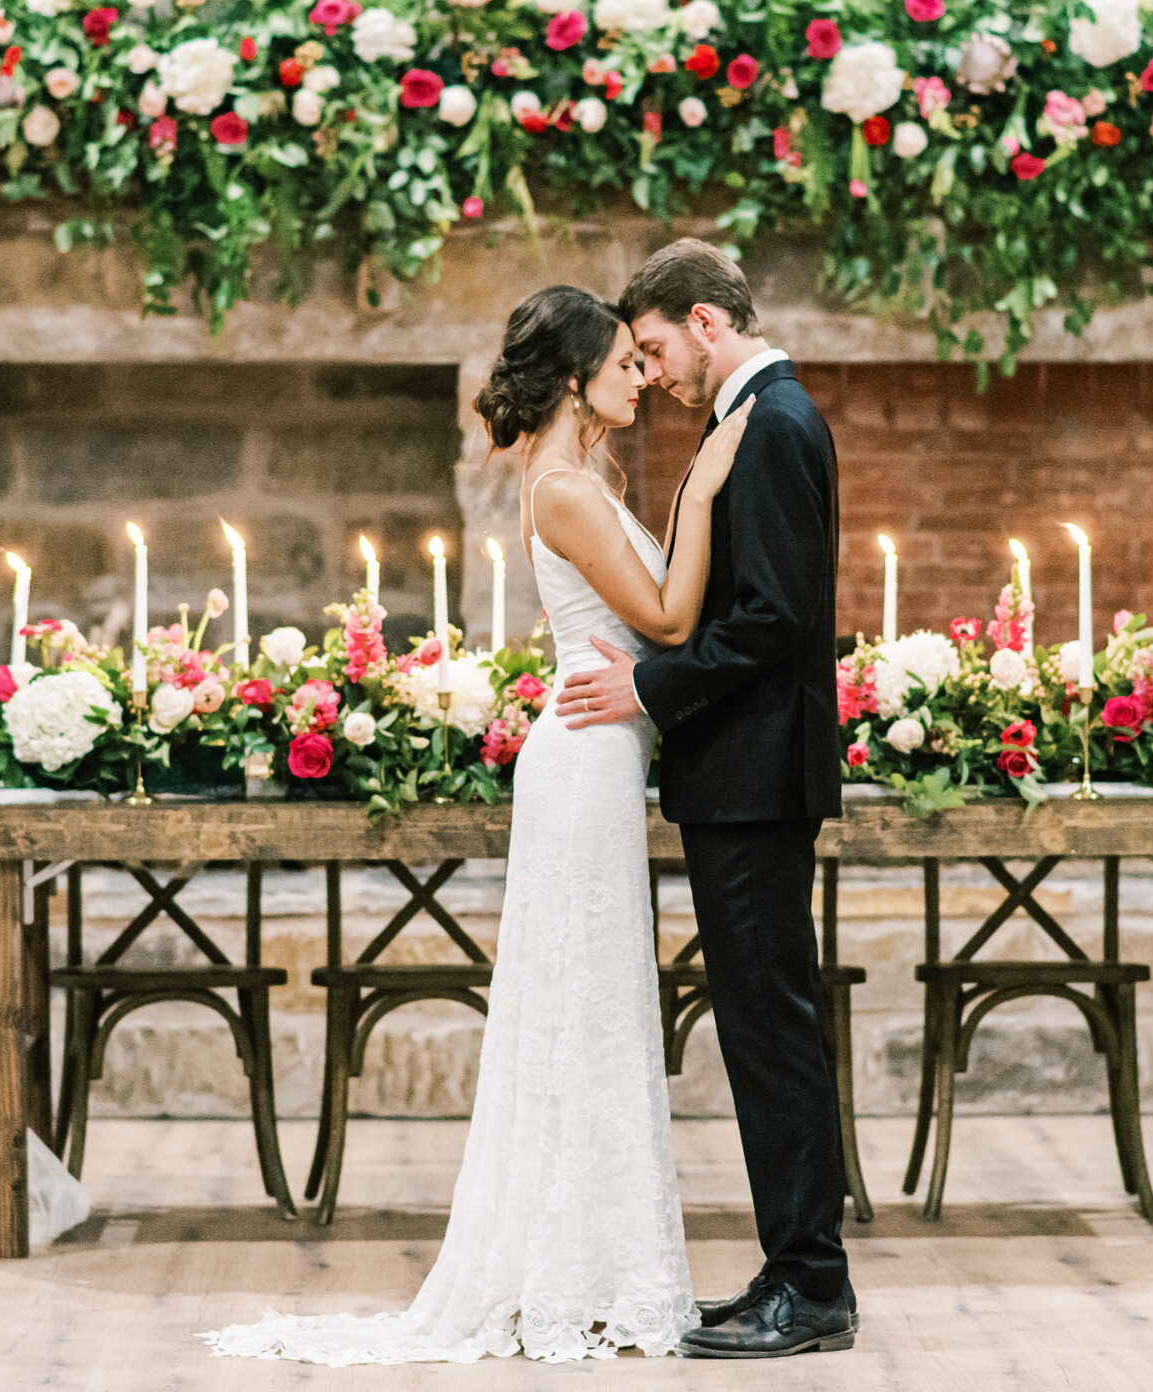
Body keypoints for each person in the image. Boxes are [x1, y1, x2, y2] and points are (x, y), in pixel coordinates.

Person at [200, 284, 754, 1364]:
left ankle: (586, 1268)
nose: (641, 376)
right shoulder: (567, 488)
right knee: (582, 1007)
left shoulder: (576, 479)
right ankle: (568, 1276)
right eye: (623, 363)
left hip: (595, 756)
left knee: (590, 1009)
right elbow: (672, 618)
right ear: (573, 380)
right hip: (585, 766)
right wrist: (706, 492)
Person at [557, 237, 855, 1359]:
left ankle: (812, 1284)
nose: (654, 372)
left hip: (755, 775)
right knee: (761, 1024)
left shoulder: (771, 423)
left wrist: (649, 684)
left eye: (655, 346)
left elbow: (773, 619)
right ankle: (793, 1268)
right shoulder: (757, 420)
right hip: (742, 774)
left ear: (706, 321)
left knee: (771, 1028)